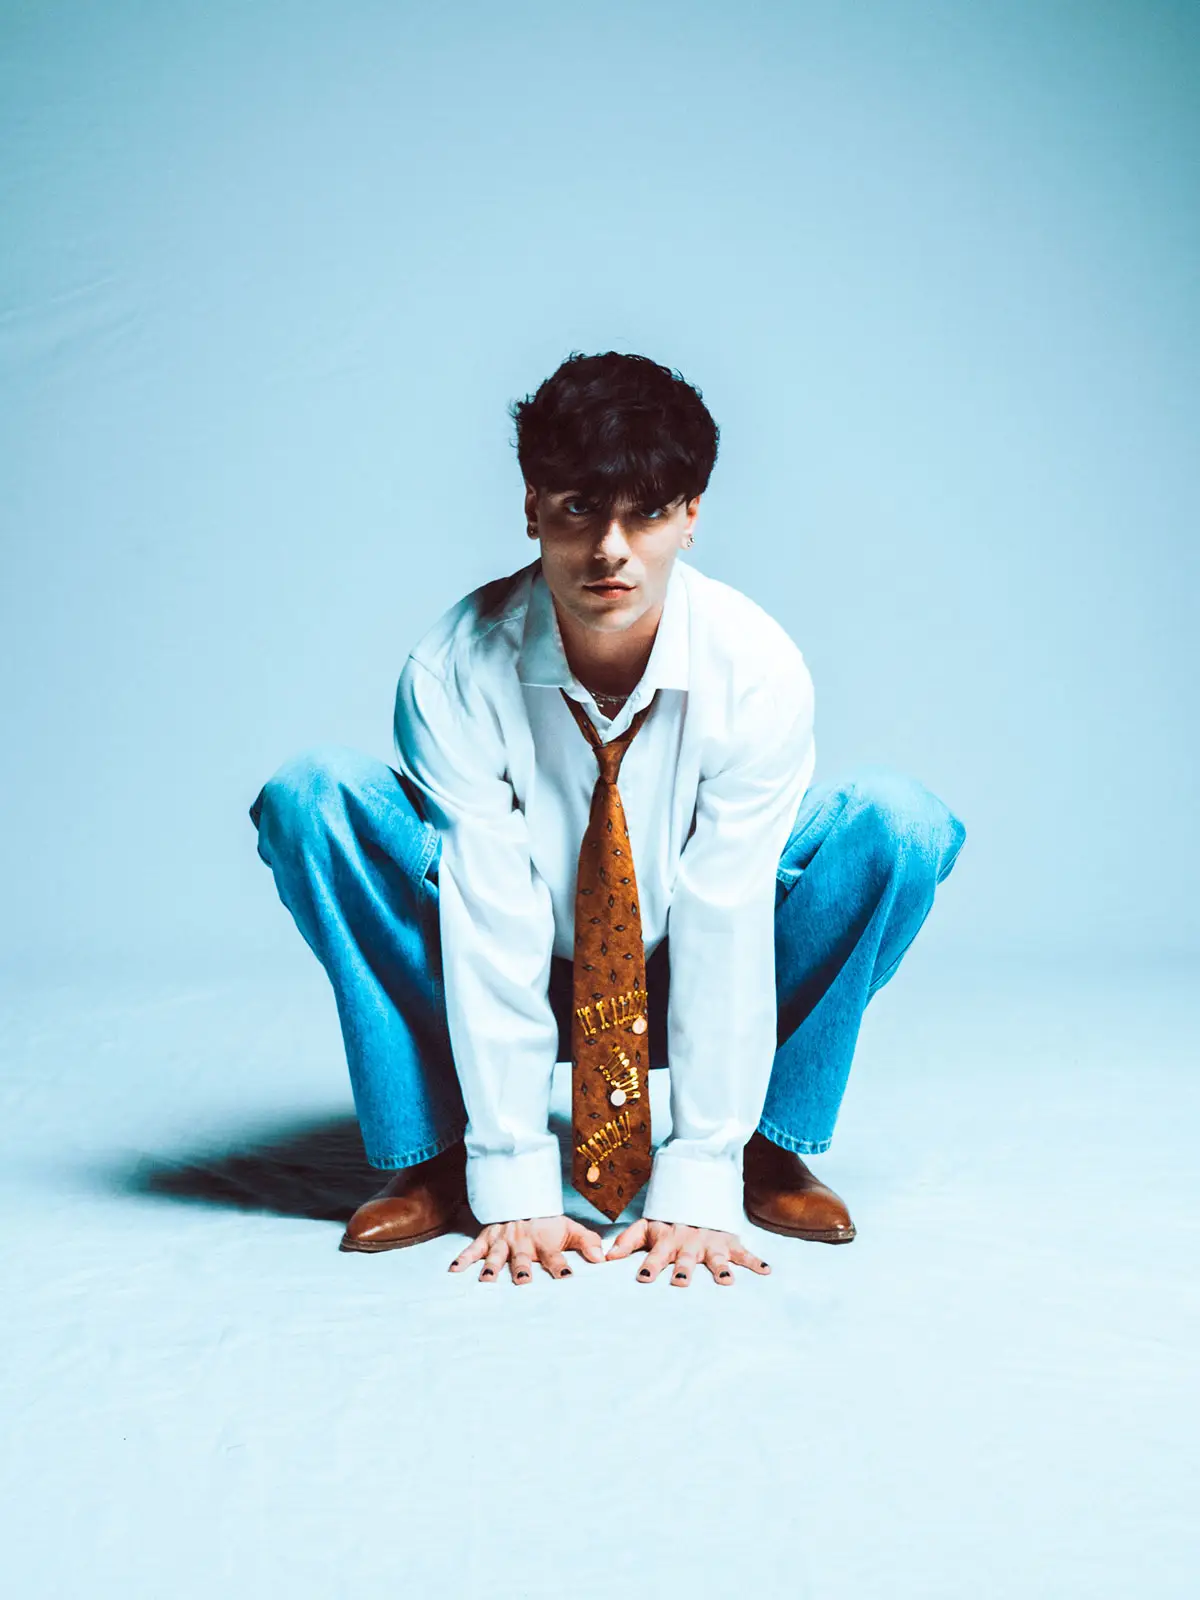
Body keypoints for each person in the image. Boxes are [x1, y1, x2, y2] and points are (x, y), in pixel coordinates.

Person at [250, 350, 966, 1290]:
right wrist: (513, 1177)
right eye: (580, 508)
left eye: (648, 514)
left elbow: (725, 911)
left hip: (681, 968)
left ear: (692, 516)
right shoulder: (455, 667)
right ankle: (434, 1155)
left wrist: (699, 1172)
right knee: (313, 797)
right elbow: (488, 908)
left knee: (900, 824)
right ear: (533, 506)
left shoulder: (757, 668)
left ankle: (764, 1146)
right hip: (496, 959)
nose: (610, 550)